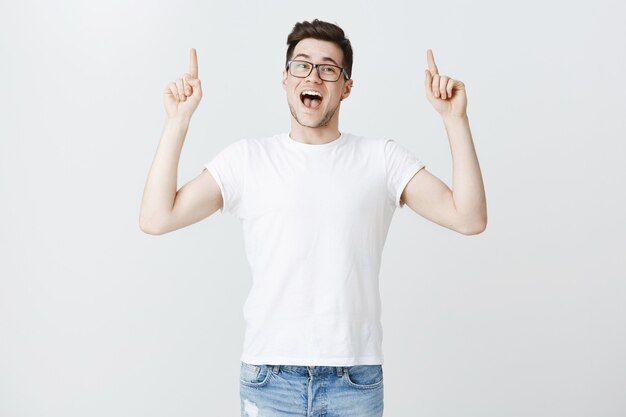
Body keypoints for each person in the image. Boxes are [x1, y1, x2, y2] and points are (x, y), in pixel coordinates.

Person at [139, 18, 486, 417]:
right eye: (302, 65)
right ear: (285, 79)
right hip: (269, 380)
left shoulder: (381, 160)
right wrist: (177, 121)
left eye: (328, 69)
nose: (314, 76)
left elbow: (469, 217)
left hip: (354, 381)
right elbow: (156, 217)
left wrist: (454, 119)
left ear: (346, 86)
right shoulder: (247, 160)